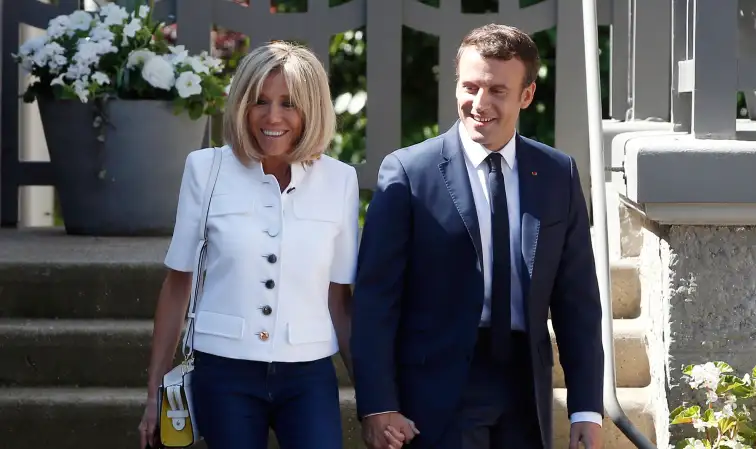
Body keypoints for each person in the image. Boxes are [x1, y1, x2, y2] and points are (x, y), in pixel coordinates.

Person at [350, 24, 604, 449]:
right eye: (469, 87)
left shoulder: (559, 175)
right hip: (439, 390)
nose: (479, 103)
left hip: (525, 385)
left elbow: (577, 300)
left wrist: (586, 409)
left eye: (497, 91)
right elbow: (376, 298)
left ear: (526, 95)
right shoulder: (409, 173)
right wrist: (378, 404)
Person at [137, 41, 359, 449]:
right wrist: (155, 394)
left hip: (308, 374)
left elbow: (339, 299)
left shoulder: (340, 180)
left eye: (289, 103)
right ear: (241, 105)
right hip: (224, 372)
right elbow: (177, 285)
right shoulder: (205, 169)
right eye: (259, 101)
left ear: (312, 109)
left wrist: (374, 401)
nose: (272, 116)